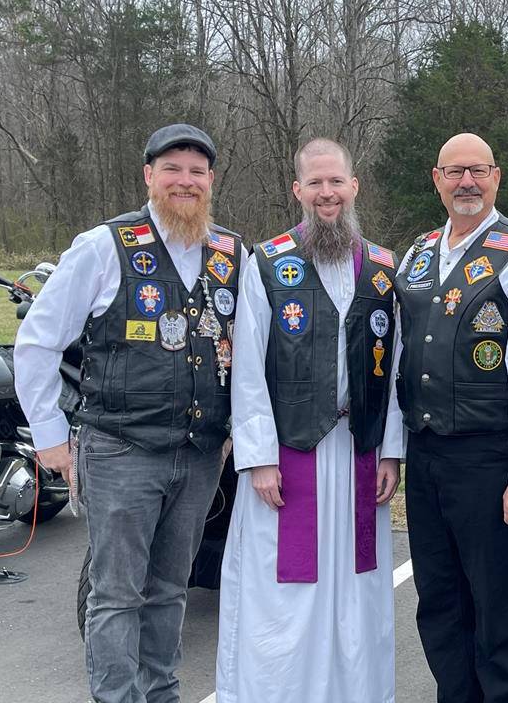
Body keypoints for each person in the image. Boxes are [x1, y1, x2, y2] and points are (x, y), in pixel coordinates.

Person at [14, 124, 243, 703]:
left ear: (211, 181)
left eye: (197, 171)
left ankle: (161, 693)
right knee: (116, 594)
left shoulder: (230, 253)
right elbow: (37, 344)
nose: (184, 181)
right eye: (172, 169)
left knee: (171, 589)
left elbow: (249, 346)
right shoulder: (103, 245)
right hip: (120, 450)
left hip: (197, 454)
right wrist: (50, 440)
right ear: (149, 176)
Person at [215, 139, 401, 703]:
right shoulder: (268, 263)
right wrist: (260, 459)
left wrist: (390, 448)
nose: (327, 193)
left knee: (356, 588)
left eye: (336, 182)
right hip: (291, 454)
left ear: (353, 187)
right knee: (286, 593)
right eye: (315, 183)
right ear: (298, 190)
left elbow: (395, 364)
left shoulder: (382, 268)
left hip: (358, 452)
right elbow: (247, 366)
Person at [389, 132, 508, 703]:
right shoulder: (417, 255)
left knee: (500, 613)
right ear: (436, 178)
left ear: (497, 177)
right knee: (440, 603)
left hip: (491, 461)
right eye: (456, 171)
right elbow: (398, 357)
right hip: (428, 457)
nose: (468, 182)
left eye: (479, 171)